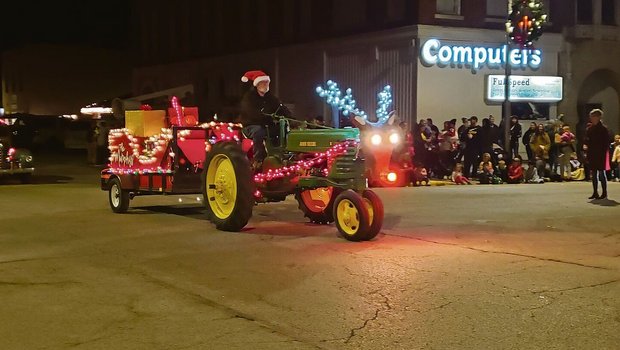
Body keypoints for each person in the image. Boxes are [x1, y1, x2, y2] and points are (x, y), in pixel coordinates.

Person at [239, 70, 290, 168]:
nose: (266, 84)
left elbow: (281, 108)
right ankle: (258, 159)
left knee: (281, 129)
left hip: (266, 124)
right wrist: (267, 117)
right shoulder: (249, 98)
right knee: (259, 131)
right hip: (251, 125)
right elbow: (252, 113)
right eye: (263, 82)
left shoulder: (271, 98)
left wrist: (291, 118)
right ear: (257, 84)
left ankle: (280, 154)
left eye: (267, 82)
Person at [584, 109, 611, 199]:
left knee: (601, 173)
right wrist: (585, 145)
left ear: (598, 117)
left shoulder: (603, 129)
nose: (591, 118)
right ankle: (595, 192)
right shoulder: (590, 129)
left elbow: (606, 142)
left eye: (593, 116)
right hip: (592, 153)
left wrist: (603, 152)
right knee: (593, 174)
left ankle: (604, 192)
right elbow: (587, 139)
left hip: (600, 154)